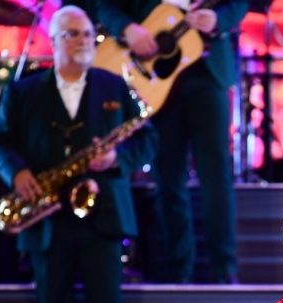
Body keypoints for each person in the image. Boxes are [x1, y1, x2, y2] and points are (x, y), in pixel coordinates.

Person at [0, 5, 157, 303]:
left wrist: (116, 159)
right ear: (54, 40)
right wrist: (17, 173)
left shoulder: (113, 86)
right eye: (73, 34)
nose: (83, 41)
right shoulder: (23, 91)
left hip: (104, 215)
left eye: (88, 35)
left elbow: (148, 139)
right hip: (46, 217)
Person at [92, 0, 248, 284]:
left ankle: (225, 270)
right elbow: (104, 5)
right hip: (152, 72)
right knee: (167, 178)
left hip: (208, 69)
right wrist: (126, 28)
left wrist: (218, 20)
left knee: (216, 177)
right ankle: (178, 272)